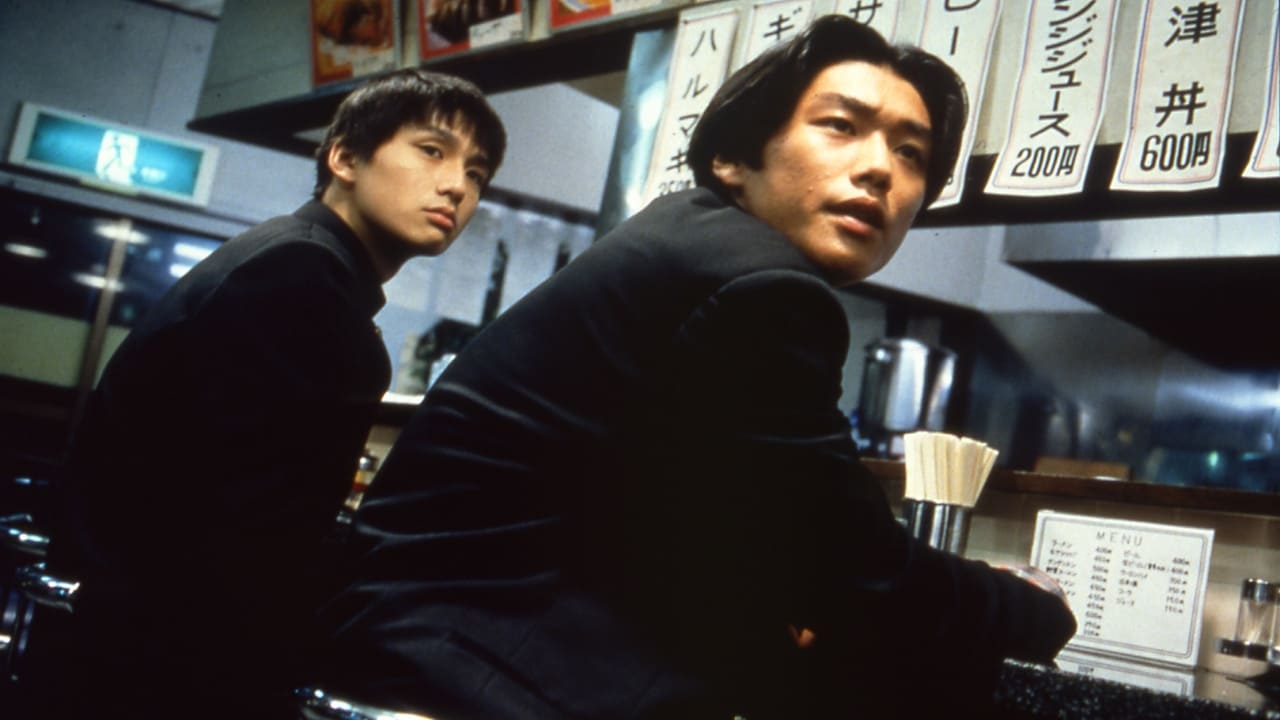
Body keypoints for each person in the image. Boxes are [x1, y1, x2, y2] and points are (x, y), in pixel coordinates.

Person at [316, 17, 1075, 719]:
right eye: (841, 126)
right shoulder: (759, 284)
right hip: (469, 675)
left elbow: (732, 524)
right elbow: (846, 561)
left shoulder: (695, 242)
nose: (880, 168)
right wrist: (1026, 607)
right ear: (732, 160)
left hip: (413, 639)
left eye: (911, 153)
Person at [42, 69, 506, 718]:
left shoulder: (297, 259)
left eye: (477, 174)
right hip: (158, 667)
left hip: (135, 639)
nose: (457, 185)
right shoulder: (301, 276)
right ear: (344, 158)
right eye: (432, 151)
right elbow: (252, 535)